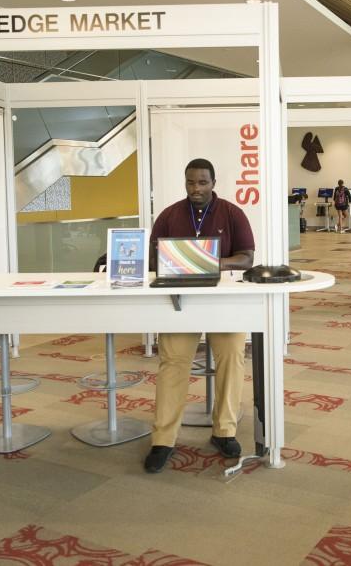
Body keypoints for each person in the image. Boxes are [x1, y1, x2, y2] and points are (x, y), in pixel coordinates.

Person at [144, 158, 255, 474]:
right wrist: (173, 262)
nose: (196, 189)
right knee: (173, 363)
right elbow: (154, 256)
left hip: (224, 301)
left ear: (213, 182)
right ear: (185, 183)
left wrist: (207, 263)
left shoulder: (233, 213)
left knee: (232, 356)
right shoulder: (169, 215)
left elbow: (247, 257)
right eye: (191, 182)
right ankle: (163, 439)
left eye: (203, 182)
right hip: (182, 300)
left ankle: (225, 431)